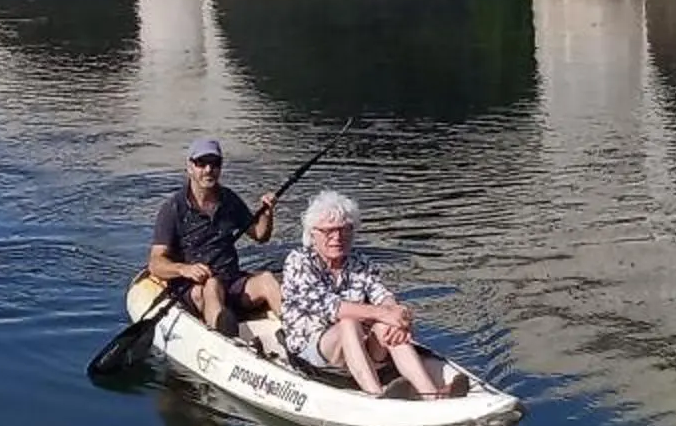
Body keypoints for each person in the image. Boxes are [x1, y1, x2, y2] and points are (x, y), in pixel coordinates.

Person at [277, 189, 465, 400]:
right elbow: (332, 307)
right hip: (314, 345)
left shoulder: (359, 261)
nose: (337, 237)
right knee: (349, 322)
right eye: (329, 231)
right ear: (313, 233)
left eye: (344, 230)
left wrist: (397, 317)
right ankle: (376, 395)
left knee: (387, 326)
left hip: (360, 342)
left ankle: (430, 394)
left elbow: (381, 294)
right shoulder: (299, 262)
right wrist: (382, 313)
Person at [146, 139, 283, 338]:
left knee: (267, 280)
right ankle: (225, 337)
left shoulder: (230, 200)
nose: (209, 170)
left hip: (231, 281)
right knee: (212, 286)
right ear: (190, 167)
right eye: (201, 163)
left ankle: (299, 334)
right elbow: (155, 263)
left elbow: (260, 235)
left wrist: (267, 214)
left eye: (215, 163)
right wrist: (184, 269)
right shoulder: (173, 209)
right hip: (196, 287)